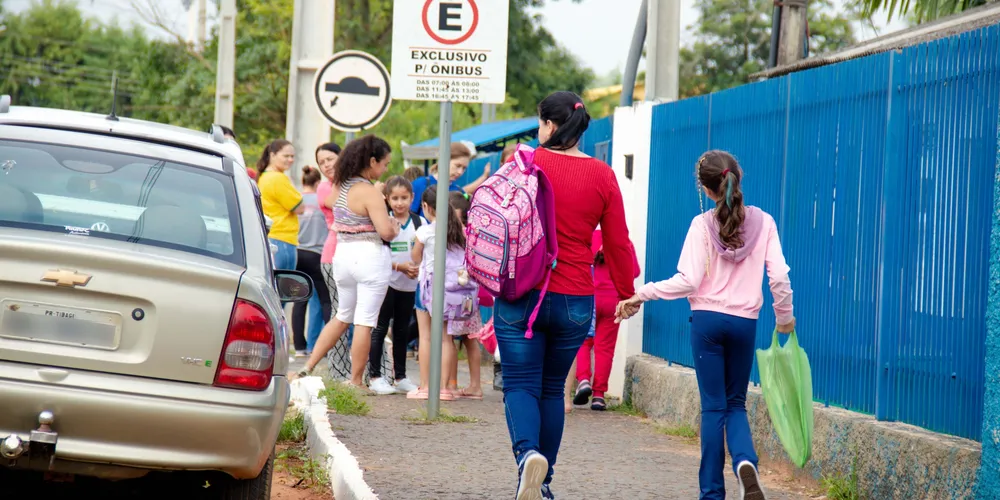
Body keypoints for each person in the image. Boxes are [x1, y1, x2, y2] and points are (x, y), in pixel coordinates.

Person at [615, 150, 796, 500]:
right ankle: (746, 464)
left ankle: (712, 493)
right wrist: (785, 317)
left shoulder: (701, 225)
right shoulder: (765, 222)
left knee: (713, 407)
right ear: (736, 178)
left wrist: (641, 294)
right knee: (736, 404)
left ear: (707, 189)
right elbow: (779, 278)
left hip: (707, 324)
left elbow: (688, 280)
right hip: (745, 323)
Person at [492, 92, 637, 500]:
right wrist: (627, 293)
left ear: (550, 126)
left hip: (522, 291)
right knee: (553, 388)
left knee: (520, 385)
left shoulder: (523, 164)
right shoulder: (603, 175)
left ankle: (527, 458)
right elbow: (618, 243)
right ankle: (544, 484)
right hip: (575, 298)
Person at [292, 136, 400, 388]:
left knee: (342, 316)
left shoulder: (339, 187)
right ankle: (355, 381)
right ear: (371, 161)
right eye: (384, 163)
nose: (385, 168)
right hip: (370, 256)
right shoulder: (369, 192)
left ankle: (307, 367)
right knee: (365, 320)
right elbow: (385, 232)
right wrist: (393, 227)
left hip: (342, 254)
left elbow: (329, 205)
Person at [406, 185, 473, 401]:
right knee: (447, 339)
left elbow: (416, 259)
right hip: (453, 289)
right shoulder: (459, 231)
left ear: (426, 206)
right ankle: (445, 388)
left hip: (428, 287)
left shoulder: (425, 231)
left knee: (425, 337)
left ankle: (426, 386)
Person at [572, 229, 641, 410]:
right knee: (605, 348)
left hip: (588, 297)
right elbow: (634, 271)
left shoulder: (585, 236)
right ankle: (599, 395)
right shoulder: (622, 240)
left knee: (583, 341)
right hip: (613, 300)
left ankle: (584, 380)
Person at [367, 176, 423, 395]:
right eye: (395, 198)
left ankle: (400, 377)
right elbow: (374, 253)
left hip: (408, 286)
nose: (400, 203)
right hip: (386, 282)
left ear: (412, 198)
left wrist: (417, 268)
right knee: (379, 329)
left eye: (404, 198)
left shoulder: (419, 223)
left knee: (400, 331)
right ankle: (375, 376)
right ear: (387, 199)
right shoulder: (383, 221)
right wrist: (399, 267)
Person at [290, 166, 333, 357]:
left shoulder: (296, 199)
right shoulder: (321, 201)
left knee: (300, 301)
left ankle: (299, 347)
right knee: (326, 300)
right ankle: (329, 344)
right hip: (317, 254)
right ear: (317, 183)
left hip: (298, 252)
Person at [444, 191, 483, 400]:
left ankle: (450, 384)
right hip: (469, 294)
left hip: (451, 294)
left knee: (447, 338)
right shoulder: (471, 233)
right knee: (470, 339)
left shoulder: (444, 233)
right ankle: (475, 385)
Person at [491, 143, 518, 392]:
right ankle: (500, 366)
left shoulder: (532, 189)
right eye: (509, 162)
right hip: (498, 264)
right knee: (503, 317)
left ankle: (508, 368)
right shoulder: (493, 191)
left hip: (522, 266)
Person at [256, 139, 302, 271]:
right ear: (272, 155)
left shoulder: (263, 176)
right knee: (286, 288)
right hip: (283, 238)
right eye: (286, 156)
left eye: (292, 156)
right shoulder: (279, 178)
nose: (290, 160)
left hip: (270, 236)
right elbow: (299, 207)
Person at [409, 142, 490, 216]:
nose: (460, 172)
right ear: (444, 160)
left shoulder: (459, 191)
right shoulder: (420, 184)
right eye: (457, 166)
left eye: (464, 168)